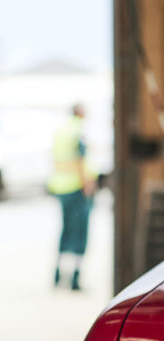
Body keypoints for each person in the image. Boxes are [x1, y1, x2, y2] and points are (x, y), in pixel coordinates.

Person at [48, 104, 97, 291]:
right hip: (77, 187)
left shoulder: (61, 130)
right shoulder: (79, 130)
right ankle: (75, 277)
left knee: (66, 230)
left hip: (61, 187)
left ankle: (58, 274)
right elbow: (80, 158)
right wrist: (88, 184)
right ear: (81, 112)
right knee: (80, 233)